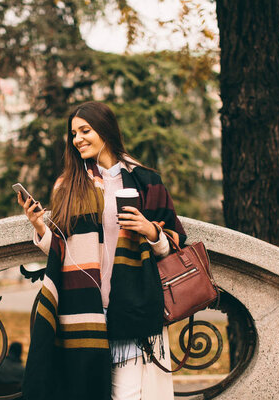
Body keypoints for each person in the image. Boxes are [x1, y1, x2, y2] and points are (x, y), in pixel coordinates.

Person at [18, 101, 186, 400]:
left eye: (85, 130)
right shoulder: (68, 185)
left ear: (105, 131)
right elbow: (62, 249)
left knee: (128, 397)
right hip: (82, 310)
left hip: (131, 307)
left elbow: (173, 245)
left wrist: (150, 231)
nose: (78, 139)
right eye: (73, 133)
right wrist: (41, 228)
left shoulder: (146, 181)